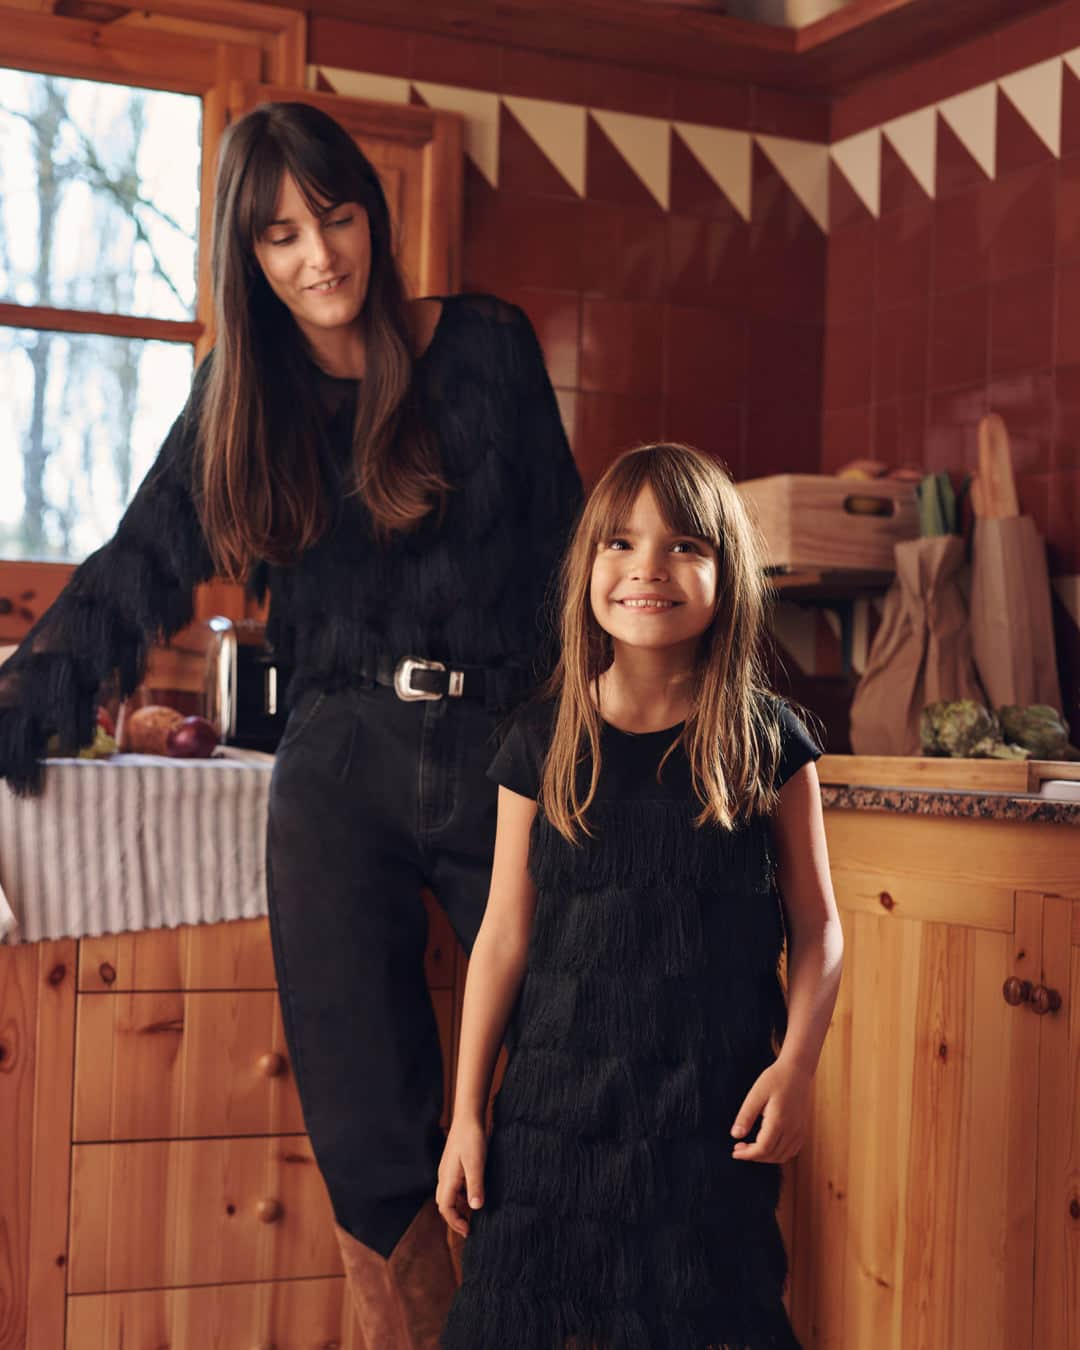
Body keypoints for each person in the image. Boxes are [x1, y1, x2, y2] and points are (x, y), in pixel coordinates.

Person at [0, 101, 582, 1346]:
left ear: (372, 211)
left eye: (336, 215)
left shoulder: (484, 349)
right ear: (246, 259)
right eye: (279, 236)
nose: (320, 255)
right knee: (364, 1121)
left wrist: (621, 744)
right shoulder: (241, 397)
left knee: (557, 1079)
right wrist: (12, 715)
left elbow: (571, 567)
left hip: (505, 758)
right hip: (337, 766)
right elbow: (134, 569)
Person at [436, 442, 843, 1349]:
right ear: (587, 569)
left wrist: (800, 1067)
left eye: (684, 546)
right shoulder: (538, 743)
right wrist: (467, 1115)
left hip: (705, 1135)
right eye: (620, 543)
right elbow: (502, 938)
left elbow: (820, 930)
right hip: (548, 1131)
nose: (647, 568)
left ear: (728, 574)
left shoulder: (770, 746)